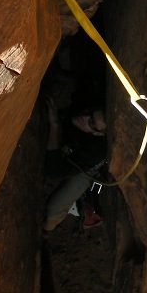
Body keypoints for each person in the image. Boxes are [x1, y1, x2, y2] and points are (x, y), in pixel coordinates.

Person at [42, 96, 107, 231]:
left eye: (92, 123)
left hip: (88, 168)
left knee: (51, 214)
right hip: (75, 142)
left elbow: (54, 171)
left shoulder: (96, 151)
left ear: (98, 133)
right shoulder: (85, 105)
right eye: (90, 112)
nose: (84, 118)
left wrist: (54, 125)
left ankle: (45, 233)